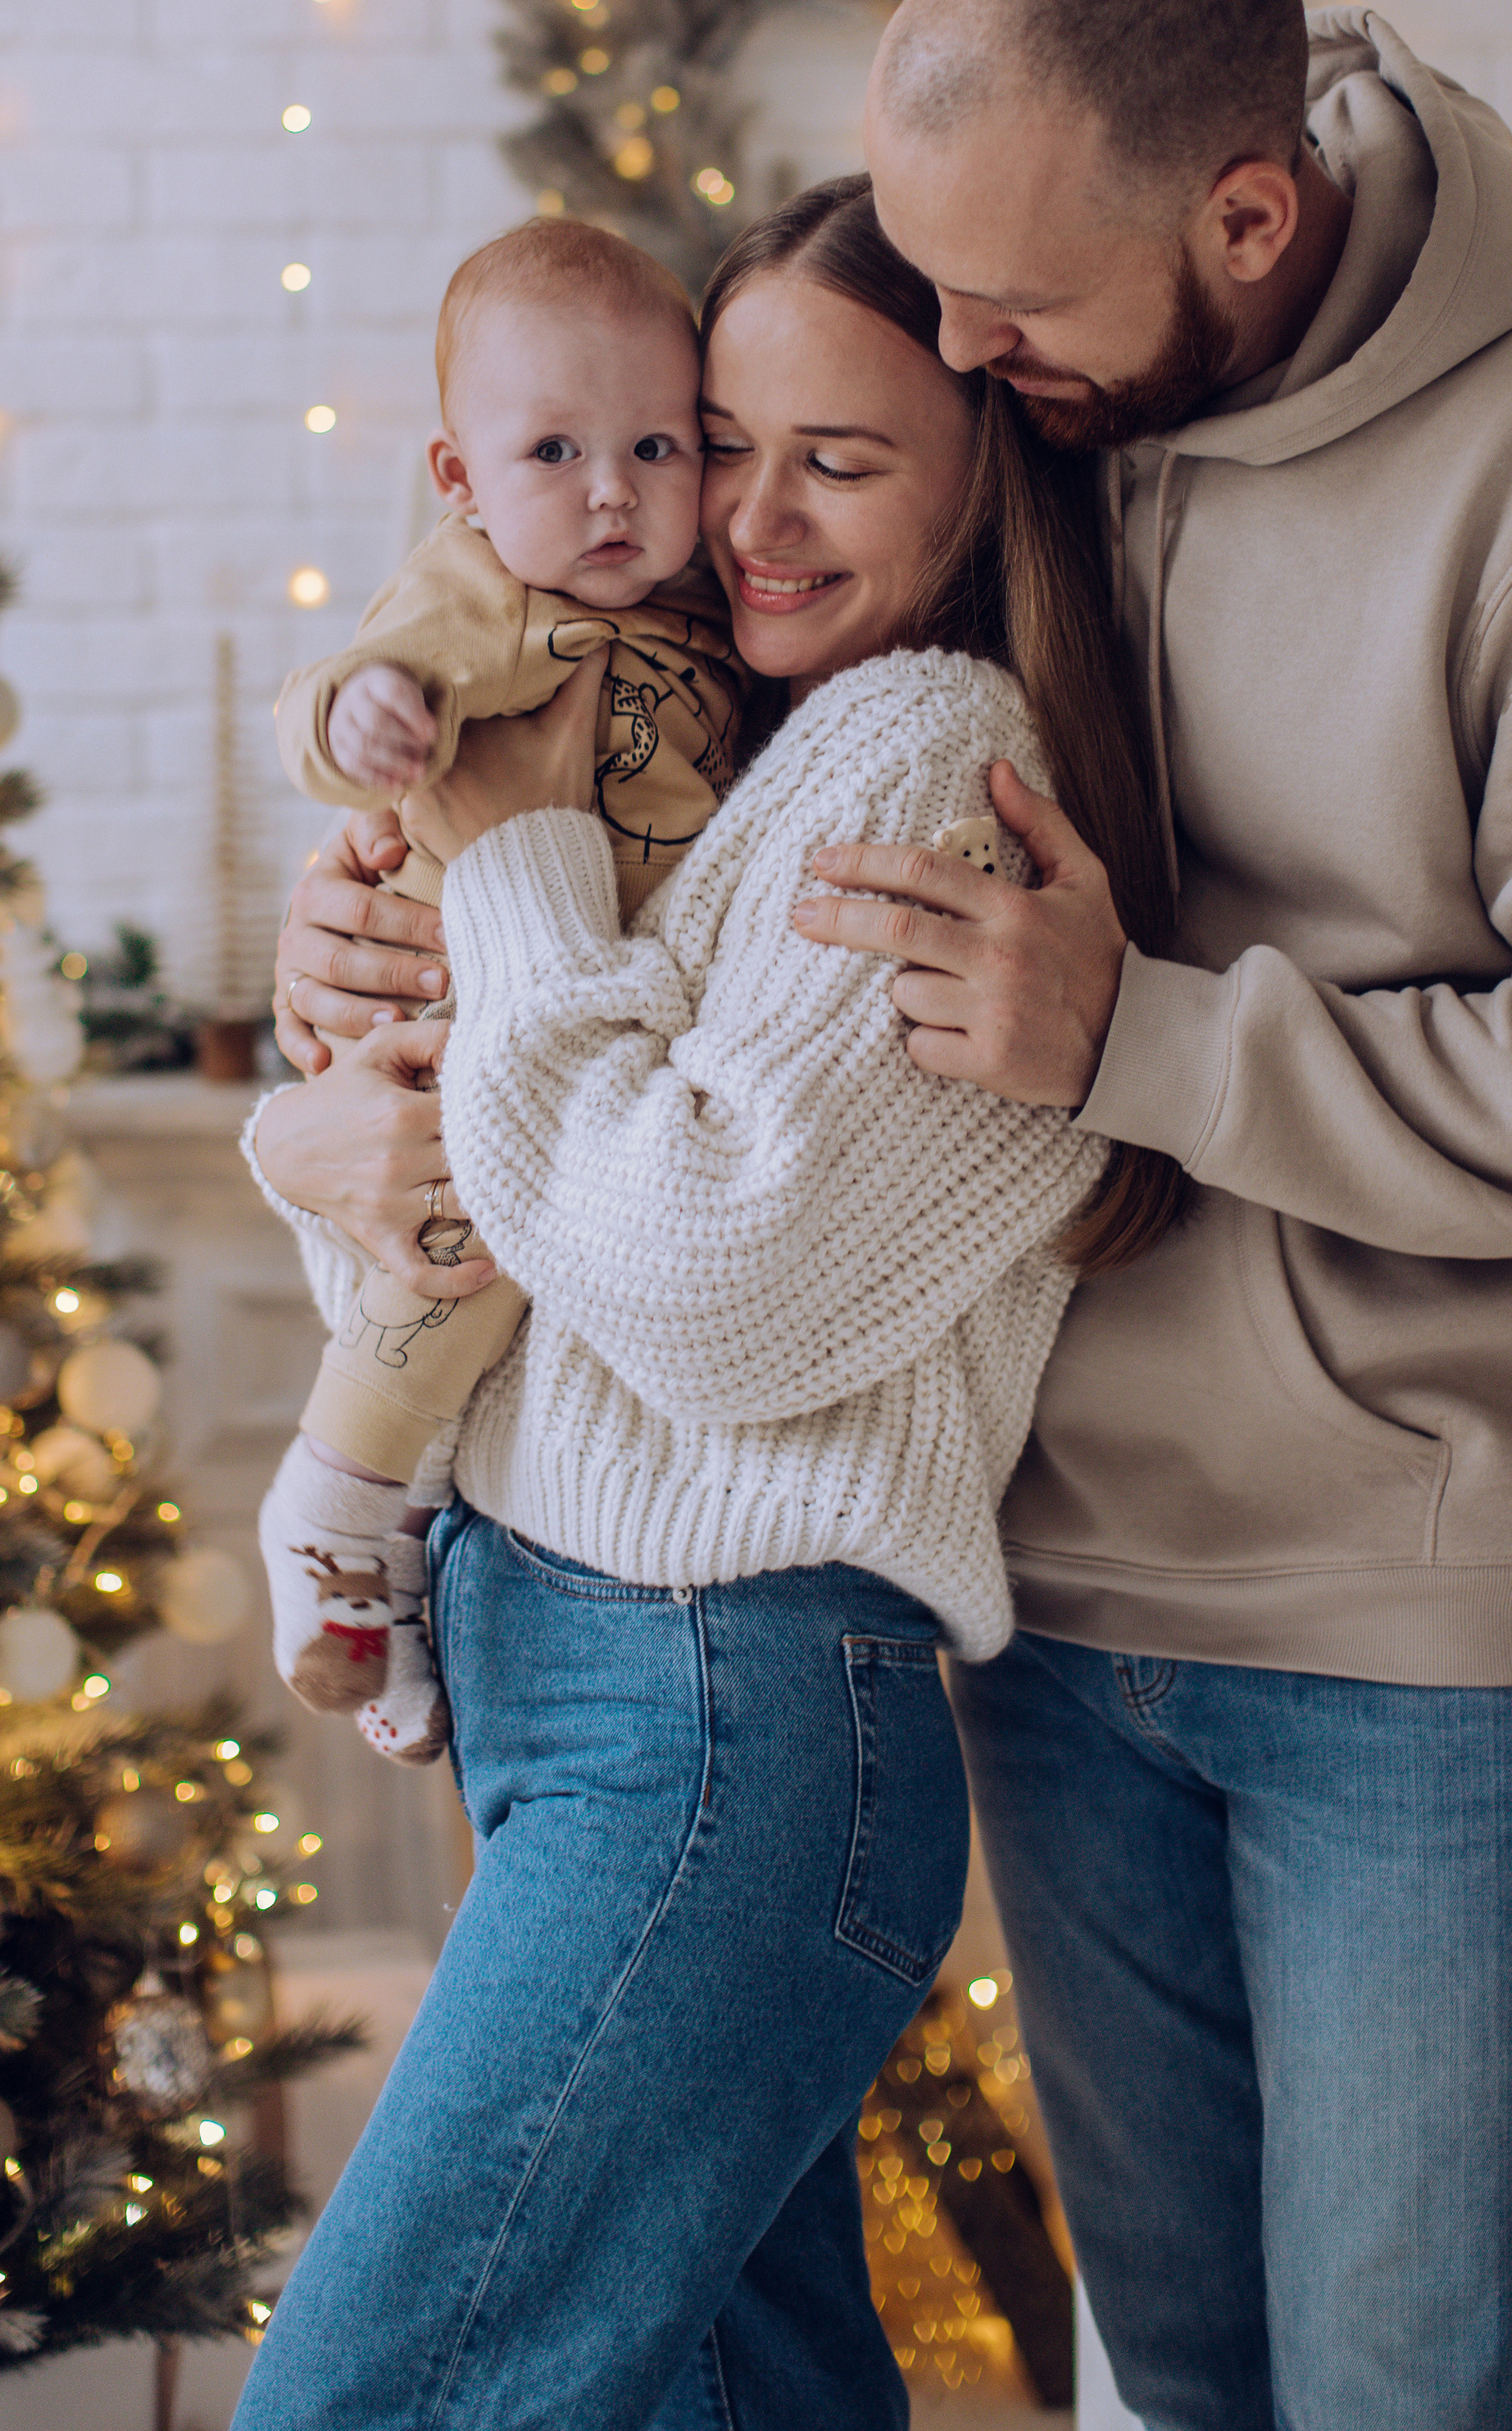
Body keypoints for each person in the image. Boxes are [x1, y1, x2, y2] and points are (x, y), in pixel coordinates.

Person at [276, 0, 1512, 2431]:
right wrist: (350, 1054)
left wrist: (1151, 1042)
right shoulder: (1050, 435)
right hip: (1059, 1615)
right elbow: (631, 974)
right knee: (1173, 2392)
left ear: (1242, 216)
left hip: (1411, 1621)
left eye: (997, 325)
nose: (966, 347)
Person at [238, 180, 1178, 2430]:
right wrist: (325, 1113)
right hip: (608, 1691)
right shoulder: (718, 744)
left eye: (832, 461)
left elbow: (696, 1288)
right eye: (711, 437)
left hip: (720, 1717)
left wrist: (513, 861)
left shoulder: (936, 762)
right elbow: (503, 1236)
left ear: (987, 476)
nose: (731, 516)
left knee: (369, 2397)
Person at [258, 216, 743, 1756]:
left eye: (658, 445)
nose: (614, 490)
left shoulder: (710, 609)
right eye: (555, 450)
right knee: (468, 1253)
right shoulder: (481, 593)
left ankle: (386, 1565)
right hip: (472, 1005)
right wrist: (374, 716)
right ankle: (332, 1504)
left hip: (586, 1005)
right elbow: (323, 704)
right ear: (460, 480)